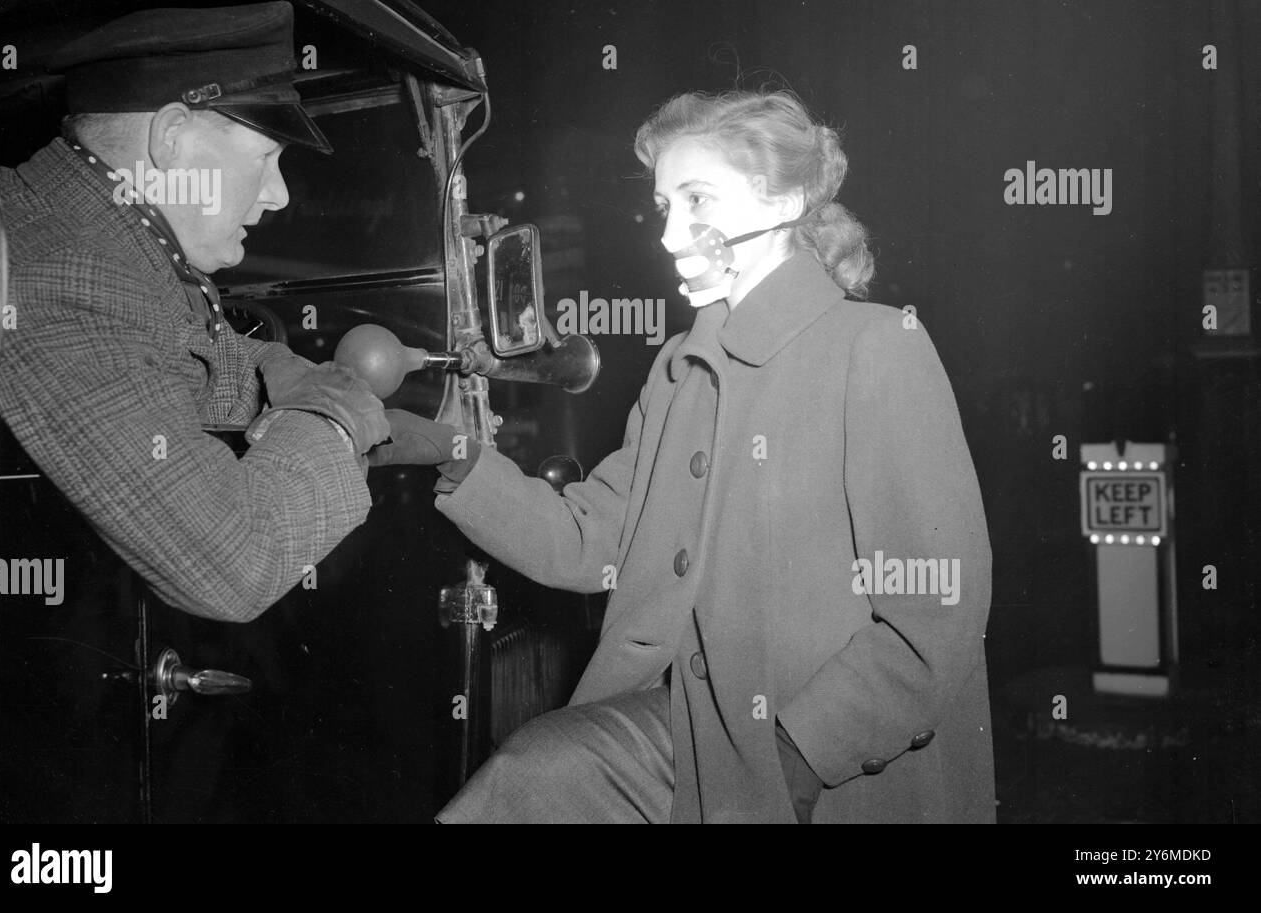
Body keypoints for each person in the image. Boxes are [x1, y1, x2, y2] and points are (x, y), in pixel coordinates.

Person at [387, 89, 996, 823]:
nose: (672, 235)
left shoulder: (873, 347)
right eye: (664, 208)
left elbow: (936, 607)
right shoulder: (679, 370)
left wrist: (802, 756)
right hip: (685, 735)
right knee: (526, 781)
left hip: (825, 770)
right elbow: (595, 539)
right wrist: (453, 456)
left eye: (698, 200)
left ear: (788, 199)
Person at [0, 2, 391, 623]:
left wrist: (280, 367)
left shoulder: (103, 233)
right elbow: (238, 565)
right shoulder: (54, 275)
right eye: (266, 157)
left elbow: (186, 347)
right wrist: (332, 418)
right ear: (171, 138)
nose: (279, 193)